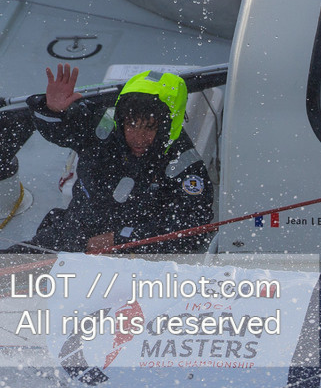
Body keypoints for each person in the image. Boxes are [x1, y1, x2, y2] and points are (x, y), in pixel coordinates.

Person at [18, 66, 214, 254]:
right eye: (132, 125)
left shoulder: (185, 164)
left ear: (167, 127)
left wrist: (121, 240)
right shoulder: (103, 128)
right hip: (72, 233)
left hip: (131, 257)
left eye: (149, 128)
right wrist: (54, 112)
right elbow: (66, 129)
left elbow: (192, 227)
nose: (138, 137)